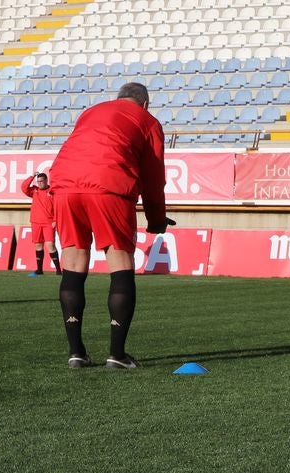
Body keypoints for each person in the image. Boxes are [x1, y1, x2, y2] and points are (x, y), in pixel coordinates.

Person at [47, 82, 169, 370]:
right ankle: (117, 354)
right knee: (120, 261)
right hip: (109, 185)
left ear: (118, 98)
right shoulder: (148, 121)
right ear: (145, 104)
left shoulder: (91, 112)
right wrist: (156, 218)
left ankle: (76, 353)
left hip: (64, 186)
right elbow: (154, 176)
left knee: (73, 263)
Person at [20, 171, 61, 277]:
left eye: (41, 181)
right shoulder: (34, 190)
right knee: (38, 245)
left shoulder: (52, 191)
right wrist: (32, 176)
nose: (40, 183)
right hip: (36, 222)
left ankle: (58, 270)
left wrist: (55, 220)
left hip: (48, 223)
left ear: (46, 181)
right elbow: (24, 187)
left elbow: (57, 207)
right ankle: (39, 269)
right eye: (38, 182)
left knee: (50, 245)